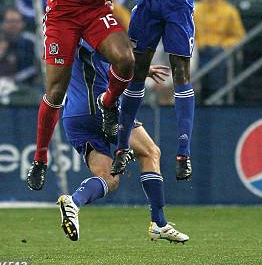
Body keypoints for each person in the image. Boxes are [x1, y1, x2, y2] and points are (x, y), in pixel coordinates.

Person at [26, 0, 164, 191]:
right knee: (54, 92)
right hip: (61, 16)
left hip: (91, 13)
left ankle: (109, 104)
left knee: (125, 59)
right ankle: (40, 159)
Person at [115, 0, 230, 179]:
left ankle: (183, 152)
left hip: (179, 3)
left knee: (181, 73)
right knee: (136, 72)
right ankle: (120, 146)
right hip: (150, 2)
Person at [57, 40, 189, 243]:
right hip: (101, 106)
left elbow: (102, 64)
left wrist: (140, 70)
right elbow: (119, 62)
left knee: (109, 178)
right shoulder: (93, 29)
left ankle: (74, 202)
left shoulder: (66, 35)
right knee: (150, 152)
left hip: (73, 114)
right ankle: (159, 223)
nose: (108, 5)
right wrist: (140, 67)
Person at [194, 0, 246, 101]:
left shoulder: (229, 11)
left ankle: (217, 96)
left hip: (220, 50)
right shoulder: (195, 10)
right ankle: (194, 96)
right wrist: (197, 44)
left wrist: (225, 45)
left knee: (218, 61)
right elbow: (189, 33)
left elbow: (239, 35)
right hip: (198, 49)